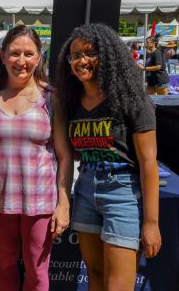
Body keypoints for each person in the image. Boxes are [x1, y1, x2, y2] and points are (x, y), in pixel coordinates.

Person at [56, 23, 162, 290]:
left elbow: (149, 162)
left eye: (89, 53)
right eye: (75, 55)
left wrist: (151, 222)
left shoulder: (131, 97)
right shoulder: (72, 101)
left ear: (108, 54)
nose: (81, 61)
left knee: (117, 286)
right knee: (95, 275)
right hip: (85, 190)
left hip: (124, 193)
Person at [0, 25, 72, 291]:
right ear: (2, 56)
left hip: (39, 200)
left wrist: (64, 204)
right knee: (4, 263)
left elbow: (64, 156)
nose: (21, 61)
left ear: (39, 57)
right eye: (15, 53)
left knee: (37, 271)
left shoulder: (51, 98)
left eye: (29, 54)